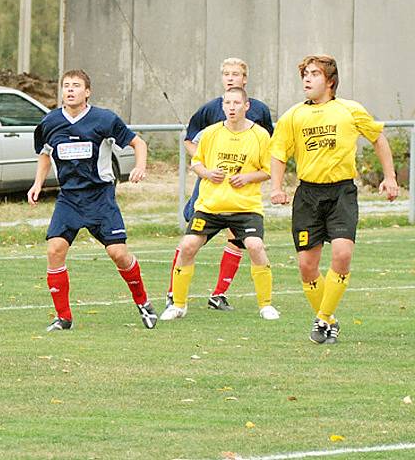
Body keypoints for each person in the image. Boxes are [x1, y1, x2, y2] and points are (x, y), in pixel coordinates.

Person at [270, 54, 398, 344]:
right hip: (308, 195)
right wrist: (275, 187)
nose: (307, 78)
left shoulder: (349, 110)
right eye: (304, 73)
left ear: (330, 81)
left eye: (314, 74)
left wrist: (389, 177)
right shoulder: (293, 116)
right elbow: (278, 153)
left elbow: (378, 138)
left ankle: (320, 320)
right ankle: (329, 320)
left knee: (342, 254)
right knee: (307, 266)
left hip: (341, 192)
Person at [28, 69, 157, 332]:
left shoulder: (104, 119)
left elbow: (138, 143)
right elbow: (45, 153)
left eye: (76, 86)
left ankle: (143, 303)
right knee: (54, 250)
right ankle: (63, 318)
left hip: (100, 197)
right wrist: (38, 183)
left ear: (87, 91)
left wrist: (140, 166)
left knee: (118, 253)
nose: (70, 90)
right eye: (66, 86)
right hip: (69, 199)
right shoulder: (50, 122)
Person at [160, 87, 279, 321]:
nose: (231, 107)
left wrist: (247, 177)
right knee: (187, 246)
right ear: (222, 106)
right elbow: (196, 163)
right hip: (210, 206)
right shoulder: (211, 133)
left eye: (236, 103)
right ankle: (178, 305)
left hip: (245, 207)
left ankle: (266, 305)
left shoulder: (260, 135)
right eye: (227, 103)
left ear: (246, 107)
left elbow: (268, 170)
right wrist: (207, 173)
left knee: (255, 246)